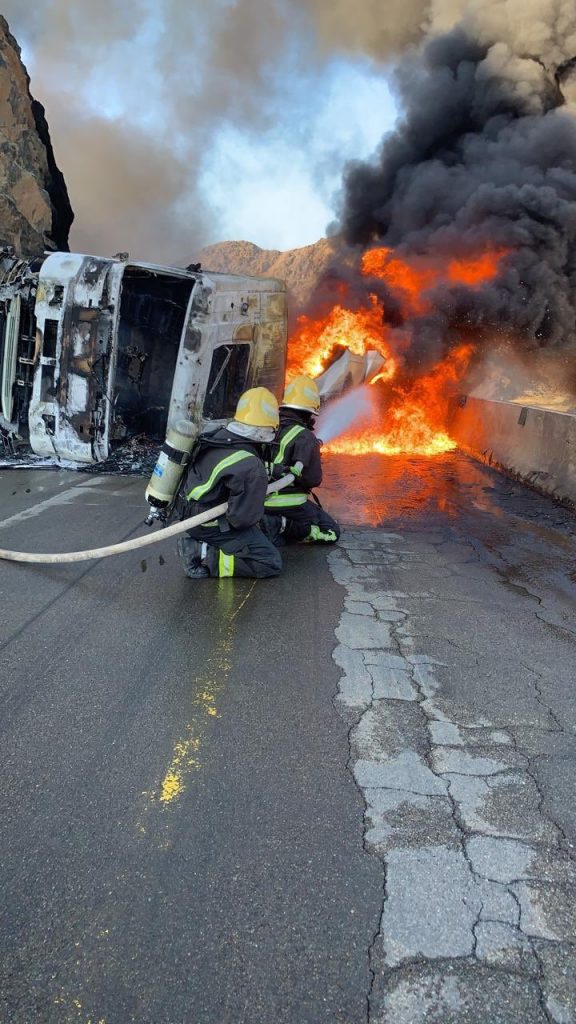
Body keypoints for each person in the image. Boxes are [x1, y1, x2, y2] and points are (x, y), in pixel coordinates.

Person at [177, 387, 283, 579]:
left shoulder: (219, 436)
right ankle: (201, 553)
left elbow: (228, 469)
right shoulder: (251, 467)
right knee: (269, 561)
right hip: (209, 524)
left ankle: (203, 546)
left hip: (188, 512)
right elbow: (240, 519)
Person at [264, 375, 340, 545]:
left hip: (254, 499)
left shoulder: (266, 427)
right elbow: (313, 479)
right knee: (330, 531)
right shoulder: (306, 437)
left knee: (280, 538)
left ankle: (271, 526)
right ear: (309, 412)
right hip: (284, 502)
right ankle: (277, 523)